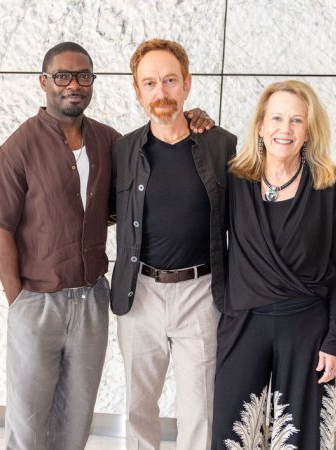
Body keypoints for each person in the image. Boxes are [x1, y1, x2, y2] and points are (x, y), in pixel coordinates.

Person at [0, 41, 213, 450]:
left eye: (83, 76)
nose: (74, 84)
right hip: (37, 301)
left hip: (92, 297)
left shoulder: (111, 143)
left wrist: (194, 117)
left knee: (76, 417)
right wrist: (17, 298)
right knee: (28, 418)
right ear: (44, 82)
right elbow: (0, 227)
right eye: (62, 76)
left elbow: (144, 175)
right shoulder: (18, 148)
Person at [109, 39, 236, 450]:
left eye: (169, 81)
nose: (160, 92)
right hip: (140, 293)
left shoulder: (221, 146)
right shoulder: (123, 150)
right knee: (138, 407)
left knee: (201, 409)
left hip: (201, 293)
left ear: (187, 84)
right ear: (137, 91)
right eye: (150, 83)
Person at [211, 80, 336, 449]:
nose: (284, 129)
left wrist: (335, 338)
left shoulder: (330, 184)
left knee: (299, 437)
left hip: (307, 326)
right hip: (244, 323)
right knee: (231, 435)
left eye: (296, 120)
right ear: (260, 126)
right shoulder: (234, 180)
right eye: (276, 118)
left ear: (309, 130)